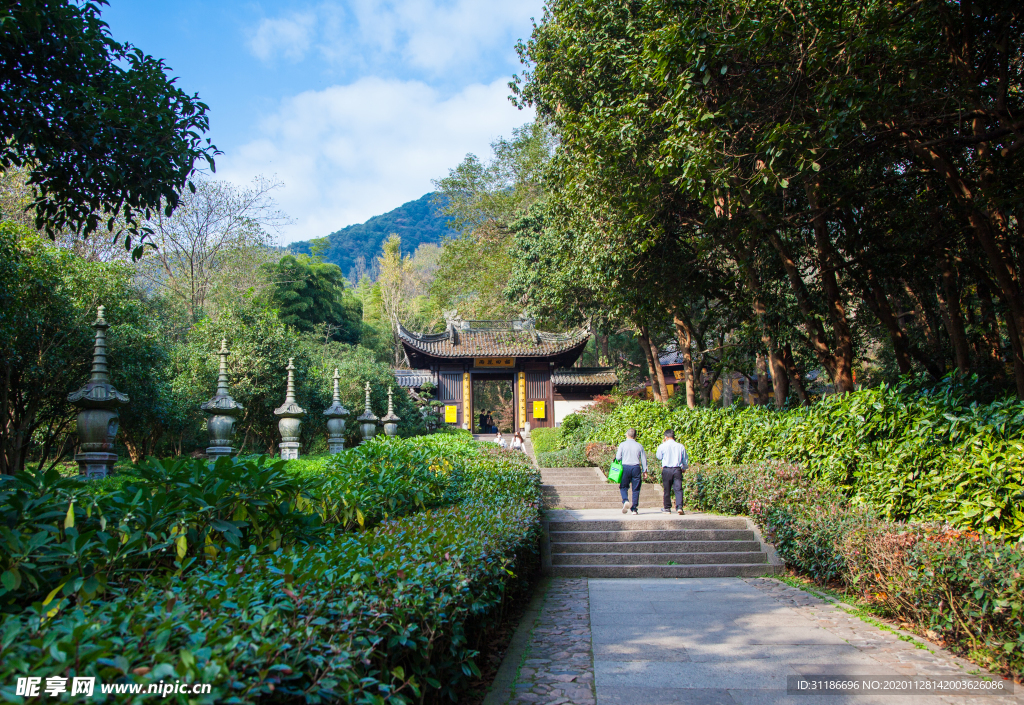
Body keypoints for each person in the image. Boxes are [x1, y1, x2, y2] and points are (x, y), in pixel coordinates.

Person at [656, 428, 689, 515]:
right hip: (677, 469)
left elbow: (659, 457)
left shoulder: (663, 446)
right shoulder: (680, 446)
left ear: (666, 437)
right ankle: (679, 507)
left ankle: (667, 508)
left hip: (667, 469)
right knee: (678, 489)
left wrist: (662, 444)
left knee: (667, 489)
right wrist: (684, 467)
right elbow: (684, 459)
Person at [614, 428, 647, 514]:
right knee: (636, 489)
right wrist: (645, 471)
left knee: (623, 487)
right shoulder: (639, 446)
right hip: (636, 468)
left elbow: (618, 457)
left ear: (626, 435)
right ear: (635, 436)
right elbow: (643, 459)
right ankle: (634, 509)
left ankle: (625, 500)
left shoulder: (622, 445)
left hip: (625, 467)